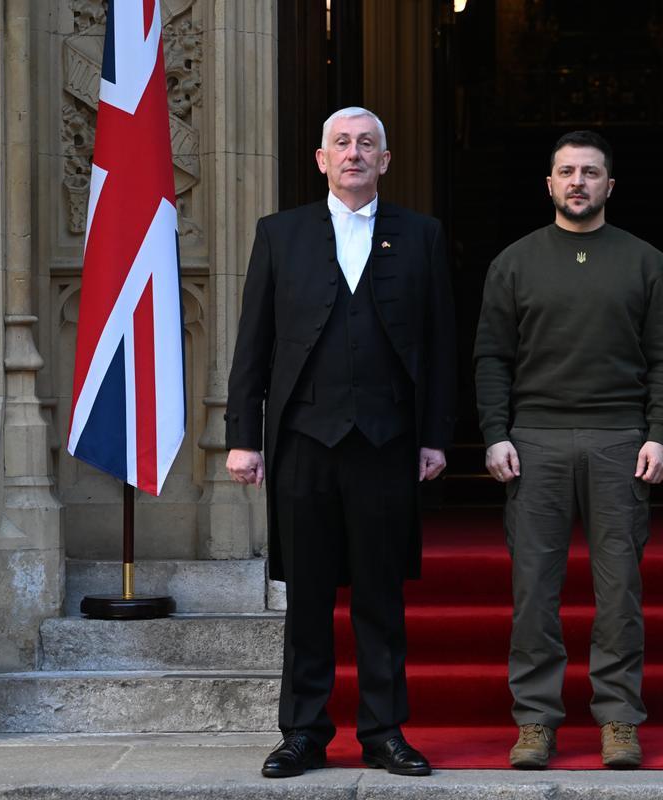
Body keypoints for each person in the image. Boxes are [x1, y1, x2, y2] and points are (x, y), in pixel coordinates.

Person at [225, 107, 456, 778]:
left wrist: (436, 436)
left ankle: (384, 732)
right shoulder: (280, 234)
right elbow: (252, 347)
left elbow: (441, 345)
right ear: (322, 159)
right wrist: (244, 438)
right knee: (309, 598)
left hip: (387, 442)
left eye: (367, 145)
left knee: (382, 596)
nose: (354, 153)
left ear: (385, 160)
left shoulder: (422, 235)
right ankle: (303, 731)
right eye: (342, 144)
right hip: (302, 442)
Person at [473, 130, 663, 770]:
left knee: (619, 590)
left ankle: (619, 719)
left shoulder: (648, 263)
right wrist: (495, 433)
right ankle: (535, 721)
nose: (578, 182)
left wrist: (659, 433)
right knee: (534, 589)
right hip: (533, 440)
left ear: (609, 185)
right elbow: (492, 357)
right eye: (566, 171)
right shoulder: (513, 262)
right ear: (549, 184)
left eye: (590, 173)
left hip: (621, 439)